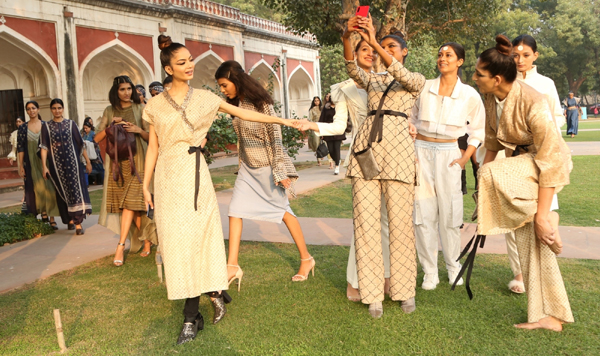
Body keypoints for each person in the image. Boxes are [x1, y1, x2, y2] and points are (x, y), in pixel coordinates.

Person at [142, 35, 299, 344]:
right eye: (182, 62)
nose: (190, 65)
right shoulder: (155, 105)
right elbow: (152, 147)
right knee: (175, 244)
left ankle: (191, 317)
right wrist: (145, 184)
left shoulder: (205, 98)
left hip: (195, 175)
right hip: (167, 178)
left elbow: (244, 113)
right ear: (168, 67)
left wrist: (285, 121)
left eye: (190, 60)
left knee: (198, 239)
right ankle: (215, 290)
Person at [473, 35, 573, 332]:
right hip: (520, 169)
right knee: (529, 239)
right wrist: (483, 193)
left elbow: (551, 161)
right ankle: (546, 317)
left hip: (545, 168)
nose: (474, 78)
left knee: (537, 227)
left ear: (497, 78)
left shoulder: (534, 101)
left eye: (479, 74)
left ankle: (547, 221)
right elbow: (492, 141)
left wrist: (542, 215)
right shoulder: (491, 97)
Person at [296, 38, 393, 303]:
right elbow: (339, 126)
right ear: (354, 54)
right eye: (364, 50)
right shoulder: (344, 89)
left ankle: (386, 278)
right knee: (365, 221)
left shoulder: (388, 80)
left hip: (393, 154)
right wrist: (312, 126)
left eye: (373, 51)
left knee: (387, 219)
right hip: (365, 156)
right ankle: (356, 282)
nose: (370, 54)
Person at [342, 15, 425, 318]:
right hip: (367, 150)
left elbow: (403, 77)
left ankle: (405, 290)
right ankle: (372, 293)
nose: (381, 50)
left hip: (399, 153)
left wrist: (376, 40)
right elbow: (352, 67)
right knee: (366, 223)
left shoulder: (415, 80)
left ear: (404, 52)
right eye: (381, 47)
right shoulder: (372, 79)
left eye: (392, 47)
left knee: (401, 224)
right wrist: (347, 34)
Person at [215, 60, 315, 287]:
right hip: (247, 170)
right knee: (235, 211)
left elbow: (275, 139)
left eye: (223, 85)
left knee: (284, 213)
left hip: (267, 169)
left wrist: (279, 171)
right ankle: (232, 266)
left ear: (235, 79)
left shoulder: (262, 104)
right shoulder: (235, 105)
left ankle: (306, 259)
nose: (222, 90)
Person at [410, 42, 485, 291]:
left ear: (460, 61)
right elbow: (409, 118)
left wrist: (465, 159)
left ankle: (453, 267)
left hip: (449, 154)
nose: (443, 58)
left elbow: (477, 131)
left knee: (451, 216)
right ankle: (429, 271)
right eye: (440, 55)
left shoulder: (469, 95)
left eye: (449, 55)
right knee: (423, 215)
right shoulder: (424, 88)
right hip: (421, 153)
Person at [502, 34, 567, 294]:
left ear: (535, 56)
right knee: (514, 216)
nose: (520, 60)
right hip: (511, 157)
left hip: (542, 155)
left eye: (526, 55)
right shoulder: (504, 80)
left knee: (545, 210)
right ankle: (519, 273)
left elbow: (558, 117)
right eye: (515, 55)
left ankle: (543, 266)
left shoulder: (546, 84)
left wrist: (541, 135)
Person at [94, 75, 157, 266]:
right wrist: (111, 126)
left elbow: (151, 138)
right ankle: (148, 240)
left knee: (131, 205)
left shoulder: (141, 108)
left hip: (138, 163)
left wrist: (137, 130)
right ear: (116, 91)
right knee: (133, 209)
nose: (127, 93)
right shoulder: (109, 110)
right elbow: (96, 139)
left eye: (129, 89)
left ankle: (120, 246)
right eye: (122, 89)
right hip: (117, 166)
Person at [40, 98, 92, 235]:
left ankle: (78, 223)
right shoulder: (46, 126)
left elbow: (81, 144)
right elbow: (44, 147)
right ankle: (69, 219)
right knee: (62, 192)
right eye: (54, 108)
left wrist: (88, 161)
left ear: (63, 109)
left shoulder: (71, 124)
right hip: (56, 166)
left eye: (59, 108)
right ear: (51, 110)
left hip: (73, 164)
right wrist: (44, 166)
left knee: (75, 191)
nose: (57, 111)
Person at [18, 103, 60, 229]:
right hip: (31, 163)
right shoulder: (23, 128)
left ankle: (52, 217)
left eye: (33, 108)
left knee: (50, 188)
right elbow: (20, 148)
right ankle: (43, 212)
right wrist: (20, 165)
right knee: (37, 188)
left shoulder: (46, 125)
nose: (31, 111)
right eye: (29, 109)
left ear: (38, 109)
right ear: (27, 111)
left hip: (46, 162)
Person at [319, 93, 345, 175]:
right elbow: (322, 119)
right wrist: (321, 131)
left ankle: (337, 166)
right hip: (328, 129)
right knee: (331, 150)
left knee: (337, 148)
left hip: (338, 129)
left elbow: (344, 117)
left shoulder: (340, 107)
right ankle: (337, 159)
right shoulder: (326, 108)